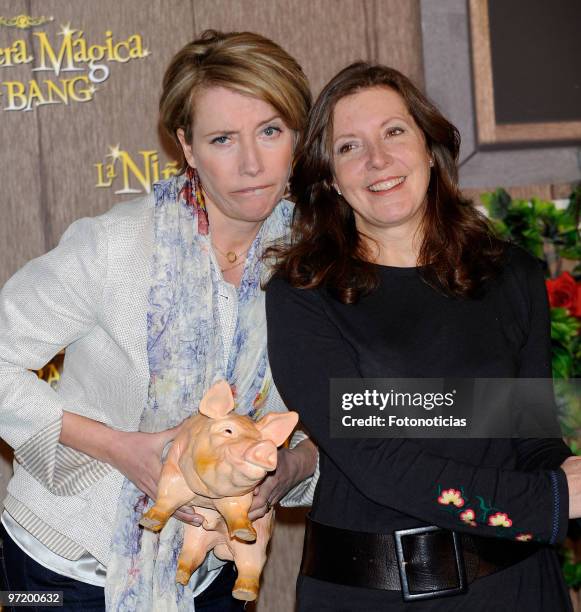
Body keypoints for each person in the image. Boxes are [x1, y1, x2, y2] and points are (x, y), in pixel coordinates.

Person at [0, 30, 317, 612]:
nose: (251, 163)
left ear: (296, 136)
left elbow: (334, 412)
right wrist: (119, 447)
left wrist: (287, 468)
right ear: (187, 148)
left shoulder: (315, 263)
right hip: (62, 566)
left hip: (209, 568)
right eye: (223, 139)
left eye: (269, 131)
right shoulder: (116, 246)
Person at [265, 61, 581, 611]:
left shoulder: (512, 275)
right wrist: (549, 500)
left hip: (520, 588)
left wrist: (566, 476)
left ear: (430, 149)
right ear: (331, 178)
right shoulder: (302, 295)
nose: (377, 160)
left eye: (394, 132)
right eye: (349, 147)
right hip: (371, 596)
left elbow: (528, 435)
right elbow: (377, 461)